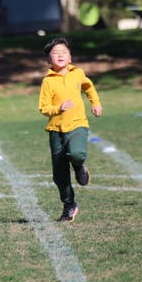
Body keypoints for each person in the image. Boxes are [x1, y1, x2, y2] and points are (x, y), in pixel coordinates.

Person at [39, 37, 102, 222]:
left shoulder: (78, 73)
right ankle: (69, 204)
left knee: (77, 153)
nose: (60, 55)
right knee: (59, 174)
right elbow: (43, 108)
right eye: (55, 53)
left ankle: (79, 166)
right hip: (55, 129)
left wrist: (95, 103)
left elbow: (89, 87)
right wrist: (58, 108)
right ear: (49, 60)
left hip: (77, 124)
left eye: (64, 52)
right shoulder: (47, 81)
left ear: (70, 56)